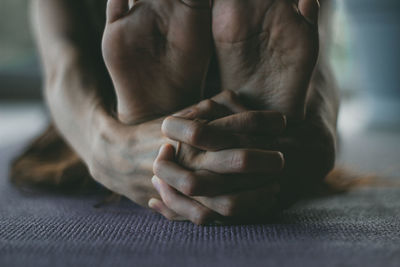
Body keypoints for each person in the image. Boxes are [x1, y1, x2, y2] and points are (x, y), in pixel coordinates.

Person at [12, 0, 339, 225]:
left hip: (116, 80)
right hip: (103, 91)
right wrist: (105, 146)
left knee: (294, 31)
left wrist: (317, 137)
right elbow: (63, 64)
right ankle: (243, 111)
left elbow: (62, 67)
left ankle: (167, 110)